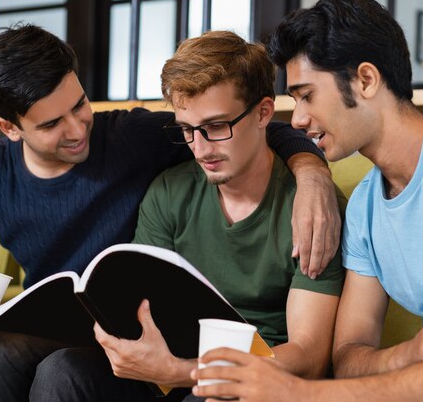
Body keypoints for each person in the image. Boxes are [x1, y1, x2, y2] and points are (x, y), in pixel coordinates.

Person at [0, 24, 339, 402]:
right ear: (10, 128)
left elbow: (249, 127)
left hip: (103, 337)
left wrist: (312, 172)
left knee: (17, 357)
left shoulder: (133, 137)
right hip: (34, 325)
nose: (75, 130)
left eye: (79, 105)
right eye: (51, 124)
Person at [190, 0, 423, 402]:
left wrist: (294, 392)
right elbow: (348, 357)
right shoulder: (366, 204)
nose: (297, 119)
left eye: (307, 95)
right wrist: (412, 352)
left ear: (366, 80)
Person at [77, 30, 343, 400]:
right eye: (187, 130)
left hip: (258, 381)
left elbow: (308, 357)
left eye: (217, 126)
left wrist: (184, 372)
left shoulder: (313, 210)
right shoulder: (170, 191)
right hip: (172, 368)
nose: (201, 149)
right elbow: (141, 312)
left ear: (264, 112)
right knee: (63, 371)